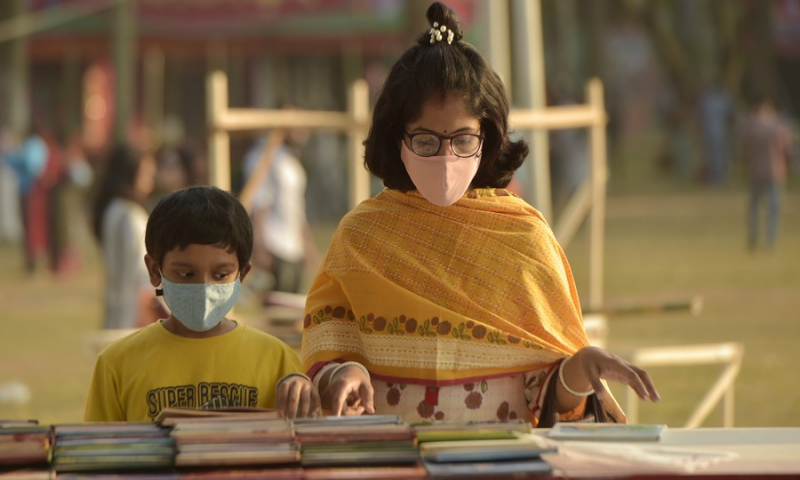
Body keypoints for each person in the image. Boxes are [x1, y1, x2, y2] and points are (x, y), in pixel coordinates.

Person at [301, 2, 659, 426]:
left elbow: (549, 394)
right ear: (396, 137)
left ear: (487, 137)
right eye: (426, 141)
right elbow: (327, 354)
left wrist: (578, 372)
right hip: (392, 460)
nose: (447, 157)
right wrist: (343, 372)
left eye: (463, 140)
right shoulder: (360, 236)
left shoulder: (525, 238)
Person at [85, 186, 319, 421]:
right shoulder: (117, 365)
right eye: (186, 274)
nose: (204, 288)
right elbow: (97, 452)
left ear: (242, 275)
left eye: (220, 275)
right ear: (155, 270)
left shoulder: (278, 361)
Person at [90, 144, 160, 329]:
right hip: (135, 309)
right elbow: (136, 272)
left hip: (122, 305)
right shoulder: (128, 216)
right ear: (129, 174)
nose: (150, 181)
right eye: (145, 174)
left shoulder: (114, 210)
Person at [242, 125, 317, 295]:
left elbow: (296, 208)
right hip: (274, 245)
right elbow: (259, 204)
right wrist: (260, 246)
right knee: (276, 308)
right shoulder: (263, 157)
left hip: (293, 247)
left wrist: (307, 246)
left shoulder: (291, 160)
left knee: (293, 308)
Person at [741, 95, 793, 251]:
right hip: (774, 172)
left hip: (755, 172)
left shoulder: (751, 126)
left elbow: (744, 149)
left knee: (754, 208)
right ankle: (771, 240)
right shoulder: (778, 126)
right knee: (773, 209)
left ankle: (753, 237)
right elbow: (788, 150)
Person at [4, 125, 49, 274]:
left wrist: (12, 155)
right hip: (29, 189)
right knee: (30, 225)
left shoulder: (33, 144)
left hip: (31, 190)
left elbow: (31, 166)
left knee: (31, 226)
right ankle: (32, 259)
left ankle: (33, 260)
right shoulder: (37, 144)